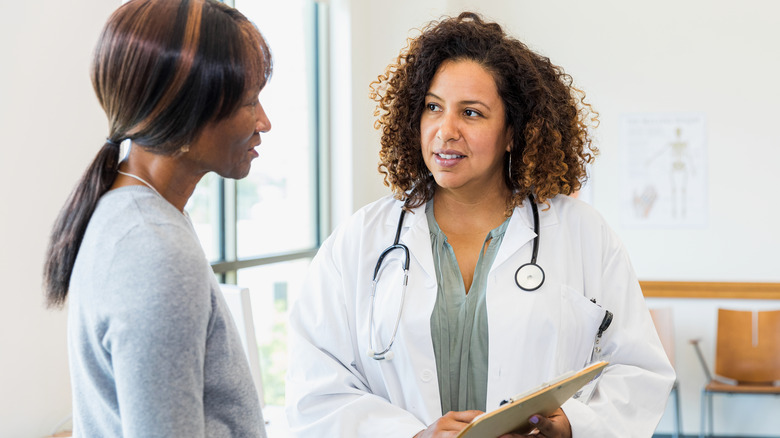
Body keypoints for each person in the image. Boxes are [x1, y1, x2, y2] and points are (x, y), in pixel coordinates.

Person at [286, 11, 675, 438]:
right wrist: (411, 435)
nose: (445, 130)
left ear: (513, 132)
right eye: (433, 107)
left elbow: (639, 370)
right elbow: (315, 383)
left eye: (471, 113)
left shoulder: (581, 231)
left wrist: (570, 426)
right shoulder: (362, 238)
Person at [42, 0, 272, 436]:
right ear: (187, 111)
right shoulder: (155, 250)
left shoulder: (130, 210)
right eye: (250, 101)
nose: (264, 121)